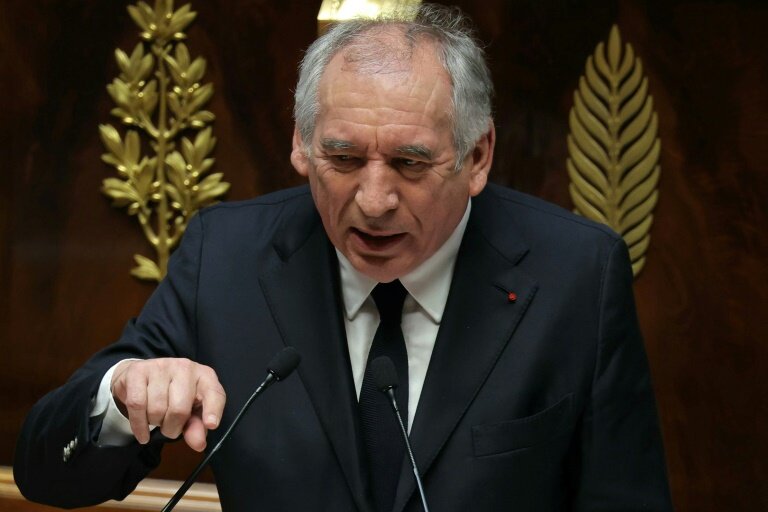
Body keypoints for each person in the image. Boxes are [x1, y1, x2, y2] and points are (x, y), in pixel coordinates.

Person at [15, 4, 672, 511]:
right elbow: (46, 469)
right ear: (301, 146)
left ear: (478, 157)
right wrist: (119, 394)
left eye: (411, 163)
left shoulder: (577, 276)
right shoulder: (228, 256)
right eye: (343, 158)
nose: (375, 199)